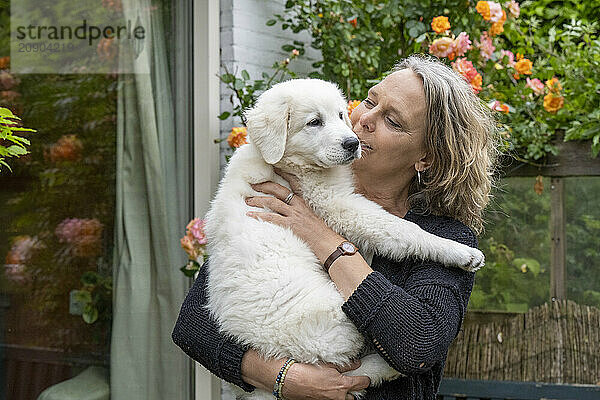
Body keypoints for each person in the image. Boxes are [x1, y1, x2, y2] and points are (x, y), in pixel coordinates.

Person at [172, 55, 499, 400]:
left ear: (425, 158)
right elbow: (194, 326)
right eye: (370, 101)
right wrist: (286, 378)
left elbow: (416, 345)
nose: (366, 119)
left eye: (393, 121)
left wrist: (320, 236)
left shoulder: (445, 238)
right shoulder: (282, 185)